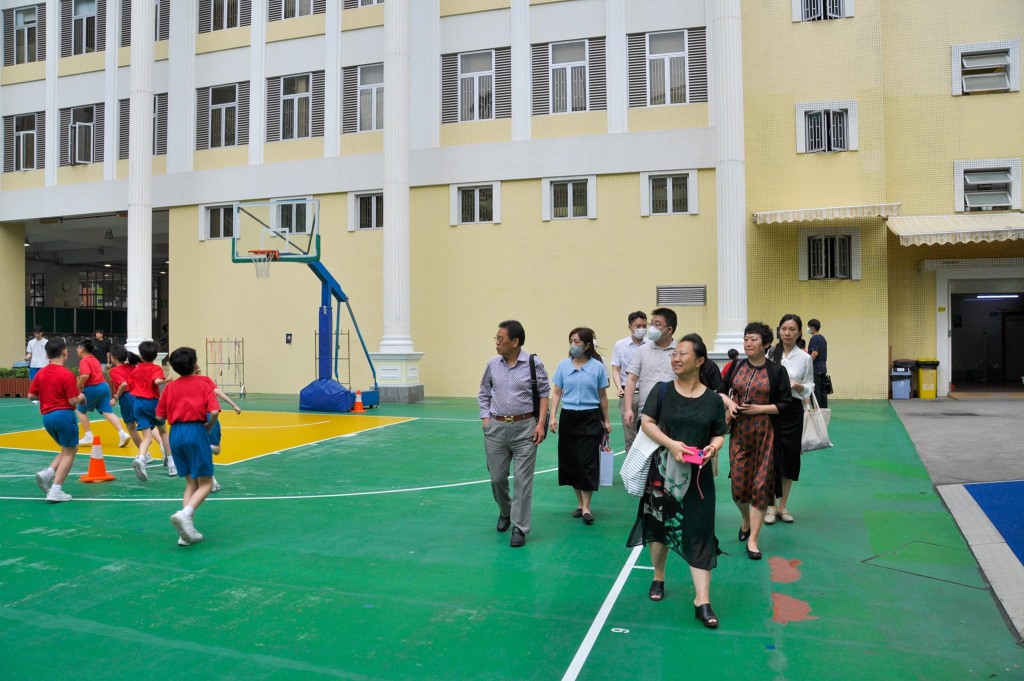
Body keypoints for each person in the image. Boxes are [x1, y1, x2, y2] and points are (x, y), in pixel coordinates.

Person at [627, 334, 727, 628]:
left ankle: (702, 600)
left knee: (700, 532)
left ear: (700, 361)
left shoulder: (713, 400)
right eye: (675, 354)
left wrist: (713, 449)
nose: (676, 358)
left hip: (698, 478)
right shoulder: (661, 391)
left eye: (683, 354)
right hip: (663, 472)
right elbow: (647, 423)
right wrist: (671, 444)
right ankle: (658, 576)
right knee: (659, 530)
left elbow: (719, 434)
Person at [720, 322, 793, 561]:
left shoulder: (777, 371)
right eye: (746, 339)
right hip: (740, 434)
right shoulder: (735, 366)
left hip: (766, 434)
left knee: (761, 487)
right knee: (738, 488)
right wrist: (730, 404)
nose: (748, 343)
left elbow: (786, 404)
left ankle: (753, 539)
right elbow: (720, 390)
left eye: (753, 339)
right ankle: (745, 519)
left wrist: (759, 409)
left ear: (766, 344)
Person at [478, 320, 550, 548]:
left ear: (515, 342)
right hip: (496, 429)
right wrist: (486, 419)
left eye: (501, 339)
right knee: (497, 478)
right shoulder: (492, 364)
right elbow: (484, 392)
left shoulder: (533, 364)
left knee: (522, 481)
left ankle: (520, 527)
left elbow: (544, 394)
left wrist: (540, 424)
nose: (497, 343)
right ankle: (505, 511)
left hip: (525, 429)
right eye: (496, 338)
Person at [157, 347, 220, 546]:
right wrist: (208, 427)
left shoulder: (170, 388)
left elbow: (159, 415)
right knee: (206, 483)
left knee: (191, 483)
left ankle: (186, 533)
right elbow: (214, 412)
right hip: (196, 431)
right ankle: (186, 514)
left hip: (175, 433)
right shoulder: (203, 384)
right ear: (194, 364)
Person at [549, 327, 611, 524]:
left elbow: (603, 396)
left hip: (590, 417)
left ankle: (586, 507)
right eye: (571, 341)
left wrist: (606, 420)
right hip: (569, 417)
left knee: (587, 461)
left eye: (577, 342)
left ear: (586, 345)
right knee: (572, 461)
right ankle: (579, 503)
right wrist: (553, 416)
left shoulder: (597, 367)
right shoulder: (563, 365)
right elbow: (557, 392)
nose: (573, 345)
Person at [766, 314, 814, 525]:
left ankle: (782, 506)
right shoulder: (769, 353)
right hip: (772, 409)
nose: (787, 333)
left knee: (790, 457)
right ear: (779, 331)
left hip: (793, 411)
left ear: (799, 332)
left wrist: (798, 386)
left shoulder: (804, 358)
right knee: (770, 458)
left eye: (792, 329)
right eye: (784, 329)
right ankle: (770, 506)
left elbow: (810, 385)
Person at [29, 338, 86, 503]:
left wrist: (48, 395)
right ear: (65, 352)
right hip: (63, 416)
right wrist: (82, 396)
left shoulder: (41, 373)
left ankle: (49, 473)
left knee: (66, 448)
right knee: (71, 451)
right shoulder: (67, 374)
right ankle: (56, 489)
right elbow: (72, 401)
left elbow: (31, 395)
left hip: (47, 418)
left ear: (47, 355)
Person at [623, 308, 678, 435]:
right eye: (652, 324)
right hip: (646, 413)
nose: (652, 328)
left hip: (674, 413)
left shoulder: (680, 351)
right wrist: (628, 409)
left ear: (669, 329)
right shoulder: (642, 350)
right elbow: (631, 379)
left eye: (657, 324)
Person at [129, 340, 175, 481]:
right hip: (152, 403)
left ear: (141, 355)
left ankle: (141, 458)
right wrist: (167, 380)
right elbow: (156, 381)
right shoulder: (156, 368)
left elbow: (131, 386)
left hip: (138, 404)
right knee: (163, 432)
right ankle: (171, 464)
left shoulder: (136, 370)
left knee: (147, 437)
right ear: (155, 356)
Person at [74, 338, 132, 448]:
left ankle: (88, 436)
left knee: (80, 410)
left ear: (81, 349)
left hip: (93, 388)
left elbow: (86, 375)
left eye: (78, 347)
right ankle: (122, 433)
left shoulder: (84, 361)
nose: (77, 349)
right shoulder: (94, 359)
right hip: (104, 387)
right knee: (108, 412)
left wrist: (78, 384)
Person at [611, 311, 648, 452]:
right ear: (630, 327)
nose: (642, 329)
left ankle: (648, 466)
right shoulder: (620, 345)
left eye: (644, 325)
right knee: (630, 437)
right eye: (638, 326)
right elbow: (616, 369)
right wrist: (619, 387)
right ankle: (631, 466)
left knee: (648, 434)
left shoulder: (651, 344)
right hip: (628, 394)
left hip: (647, 394)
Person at [108, 346, 143, 449]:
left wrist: (115, 397)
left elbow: (123, 384)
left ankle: (144, 453)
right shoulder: (132, 366)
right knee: (146, 424)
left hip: (127, 398)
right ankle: (162, 444)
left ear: (114, 357)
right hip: (139, 396)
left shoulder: (114, 371)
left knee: (131, 427)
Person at [807, 319, 829, 408]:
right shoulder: (823, 339)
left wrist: (807, 364)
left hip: (816, 369)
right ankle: (824, 410)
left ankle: (817, 410)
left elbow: (815, 353)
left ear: (812, 328)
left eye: (809, 327)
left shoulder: (814, 339)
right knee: (823, 391)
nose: (808, 329)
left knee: (815, 391)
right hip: (823, 368)